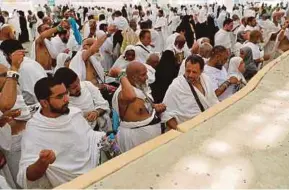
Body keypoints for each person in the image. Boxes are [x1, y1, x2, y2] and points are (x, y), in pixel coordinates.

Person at [17, 77, 107, 188]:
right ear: (44, 103)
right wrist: (42, 162)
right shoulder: (35, 129)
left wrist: (105, 139)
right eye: (60, 96)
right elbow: (27, 176)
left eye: (66, 93)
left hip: (99, 173)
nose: (66, 99)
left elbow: (91, 138)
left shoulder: (74, 113)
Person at [110, 61, 166, 152]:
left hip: (150, 138)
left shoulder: (139, 87)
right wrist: (120, 74)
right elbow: (131, 96)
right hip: (134, 140)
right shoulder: (123, 92)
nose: (147, 77)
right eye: (143, 75)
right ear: (133, 77)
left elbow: (143, 107)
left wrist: (155, 107)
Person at [162, 55, 219, 130]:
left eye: (194, 72)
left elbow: (213, 102)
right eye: (188, 71)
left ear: (201, 71)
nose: (190, 75)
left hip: (208, 126)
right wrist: (180, 131)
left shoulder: (206, 79)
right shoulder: (176, 86)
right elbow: (166, 114)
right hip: (188, 131)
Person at [0, 40, 47, 105]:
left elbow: (29, 97)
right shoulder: (29, 62)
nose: (5, 59)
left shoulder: (22, 68)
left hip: (38, 105)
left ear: (10, 55)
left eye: (5, 55)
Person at [151, 35, 186, 103]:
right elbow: (166, 70)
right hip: (164, 81)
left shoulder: (180, 51)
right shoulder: (168, 52)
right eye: (181, 44)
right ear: (177, 43)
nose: (183, 46)